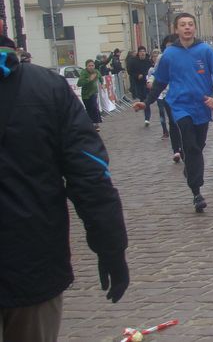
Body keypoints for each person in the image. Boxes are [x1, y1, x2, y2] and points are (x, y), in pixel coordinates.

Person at [0, 36, 129, 340]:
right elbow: (90, 175)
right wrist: (111, 247)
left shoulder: (46, 87)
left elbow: (90, 174)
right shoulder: (47, 87)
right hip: (32, 259)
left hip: (31, 261)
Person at [133, 13, 213, 213]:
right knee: (191, 146)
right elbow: (160, 83)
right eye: (183, 25)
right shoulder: (169, 55)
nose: (187, 28)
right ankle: (197, 192)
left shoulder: (206, 51)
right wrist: (147, 102)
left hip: (201, 106)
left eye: (190, 24)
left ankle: (190, 169)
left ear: (195, 28)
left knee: (198, 146)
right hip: (179, 105)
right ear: (176, 29)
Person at [129, 46, 153, 126]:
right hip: (138, 84)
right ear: (138, 53)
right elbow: (130, 72)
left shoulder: (148, 61)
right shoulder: (134, 62)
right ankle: (139, 107)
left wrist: (147, 76)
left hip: (147, 84)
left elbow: (152, 71)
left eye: (143, 51)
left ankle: (147, 118)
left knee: (146, 100)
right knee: (142, 99)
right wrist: (137, 75)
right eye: (141, 51)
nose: (142, 53)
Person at [77, 58, 104, 131]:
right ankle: (90, 124)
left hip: (93, 93)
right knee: (89, 109)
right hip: (86, 95)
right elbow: (79, 84)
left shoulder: (96, 71)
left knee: (94, 107)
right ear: (86, 66)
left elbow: (100, 77)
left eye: (92, 65)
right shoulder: (83, 73)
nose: (91, 67)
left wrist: (102, 83)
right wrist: (89, 79)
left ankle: (96, 124)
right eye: (89, 66)